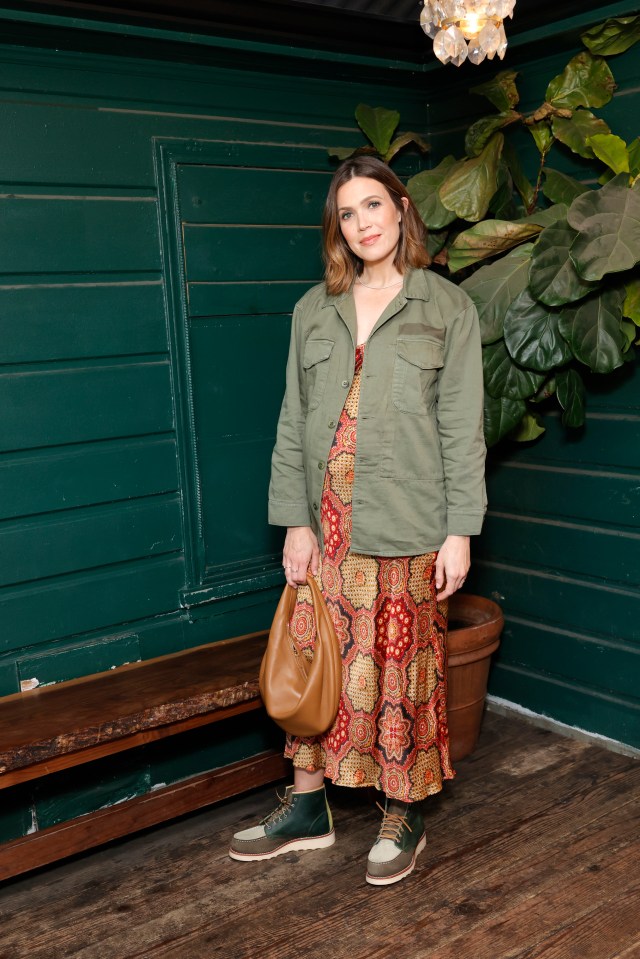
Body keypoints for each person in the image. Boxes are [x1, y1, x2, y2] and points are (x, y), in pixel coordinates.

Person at [229, 155, 486, 885]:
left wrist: (460, 528)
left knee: (399, 665)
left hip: (407, 519)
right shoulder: (315, 309)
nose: (363, 223)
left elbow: (464, 427)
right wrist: (295, 522)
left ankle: (403, 811)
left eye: (373, 205)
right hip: (326, 523)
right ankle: (308, 806)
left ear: (401, 210)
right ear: (336, 227)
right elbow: (292, 420)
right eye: (347, 213)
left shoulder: (446, 307)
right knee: (317, 658)